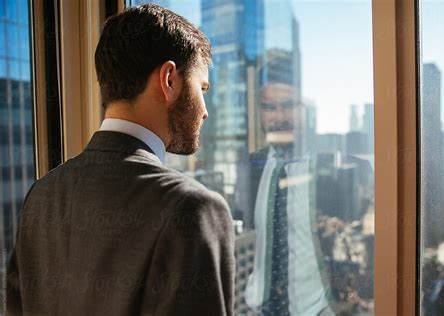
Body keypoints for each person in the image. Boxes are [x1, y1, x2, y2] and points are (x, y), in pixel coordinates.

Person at [6, 4, 235, 316]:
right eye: (202, 87)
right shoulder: (192, 207)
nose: (205, 109)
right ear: (169, 79)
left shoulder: (41, 193)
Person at [243, 80, 334, 315]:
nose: (279, 117)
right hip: (260, 309)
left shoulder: (334, 171)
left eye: (289, 105)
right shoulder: (249, 168)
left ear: (307, 109)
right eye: (269, 108)